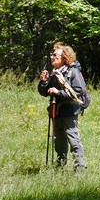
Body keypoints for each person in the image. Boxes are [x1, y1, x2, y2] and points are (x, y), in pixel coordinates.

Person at [38, 43, 87, 173]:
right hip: (57, 112)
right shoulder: (55, 73)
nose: (52, 57)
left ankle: (79, 169)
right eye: (51, 54)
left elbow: (78, 92)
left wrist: (58, 93)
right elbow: (44, 92)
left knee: (74, 141)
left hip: (69, 111)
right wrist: (44, 82)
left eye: (55, 55)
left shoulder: (73, 72)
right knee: (59, 142)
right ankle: (60, 168)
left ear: (64, 57)